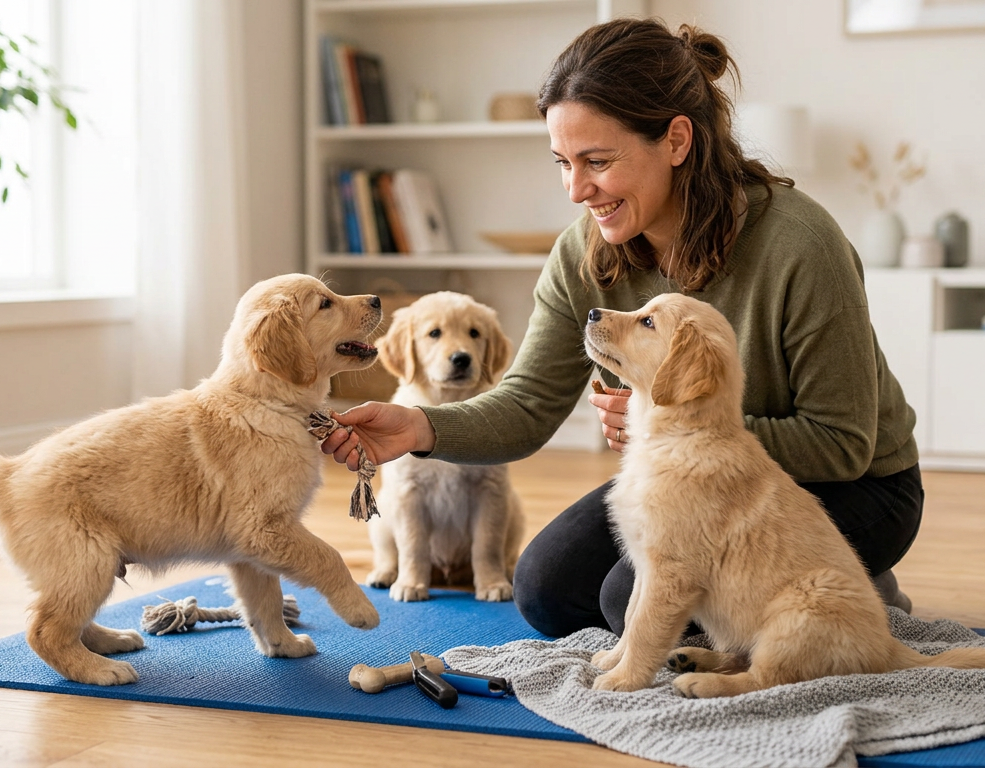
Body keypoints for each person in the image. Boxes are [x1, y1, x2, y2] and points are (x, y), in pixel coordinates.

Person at [320, 17, 923, 638]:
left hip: (855, 487)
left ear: (677, 141)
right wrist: (419, 426)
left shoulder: (802, 245)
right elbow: (529, 403)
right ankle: (802, 593)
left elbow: (844, 443)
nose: (578, 189)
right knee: (546, 591)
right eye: (563, 162)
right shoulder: (583, 252)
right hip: (689, 482)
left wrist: (666, 423)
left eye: (598, 161)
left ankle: (844, 588)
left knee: (628, 604)